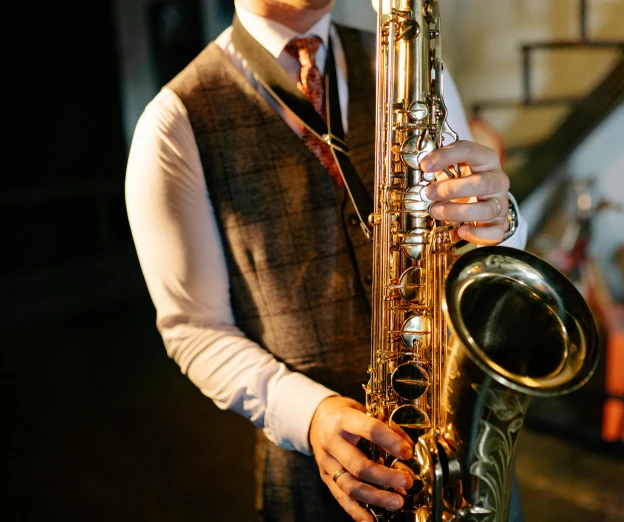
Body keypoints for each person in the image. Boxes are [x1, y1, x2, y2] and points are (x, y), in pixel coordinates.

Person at [125, 1, 527, 521]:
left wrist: (501, 219)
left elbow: (471, 246)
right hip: (316, 484)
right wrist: (308, 414)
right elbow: (194, 329)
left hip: (463, 462)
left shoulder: (418, 70)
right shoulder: (173, 121)